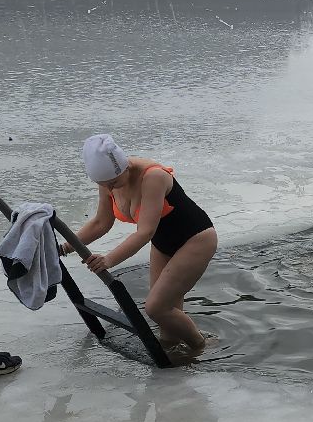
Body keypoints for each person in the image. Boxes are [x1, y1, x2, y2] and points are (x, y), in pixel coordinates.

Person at [63, 134, 216, 357]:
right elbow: (101, 223)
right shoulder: (107, 181)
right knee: (167, 327)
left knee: (156, 308)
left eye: (113, 182)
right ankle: (176, 361)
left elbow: (146, 231)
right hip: (163, 244)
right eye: (104, 185)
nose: (110, 188)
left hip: (195, 239)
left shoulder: (152, 176)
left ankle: (202, 346)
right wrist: (66, 247)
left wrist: (109, 259)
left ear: (124, 166)